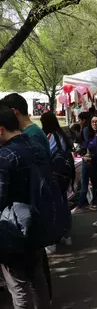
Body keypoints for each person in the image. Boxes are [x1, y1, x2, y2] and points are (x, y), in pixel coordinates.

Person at [0, 106, 51, 308]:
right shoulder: (37, 146)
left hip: (12, 227)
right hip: (38, 221)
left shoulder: (5, 157)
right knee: (37, 277)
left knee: (18, 285)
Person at [40, 112, 74, 254]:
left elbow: (46, 154)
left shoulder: (50, 137)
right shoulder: (62, 135)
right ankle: (66, 234)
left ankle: (53, 239)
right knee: (64, 202)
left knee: (54, 206)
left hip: (54, 174)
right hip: (65, 174)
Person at [72, 114, 97, 214]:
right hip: (86, 161)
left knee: (95, 184)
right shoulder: (88, 133)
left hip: (96, 163)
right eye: (93, 122)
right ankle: (80, 205)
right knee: (84, 184)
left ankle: (93, 204)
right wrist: (84, 154)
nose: (95, 124)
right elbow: (84, 146)